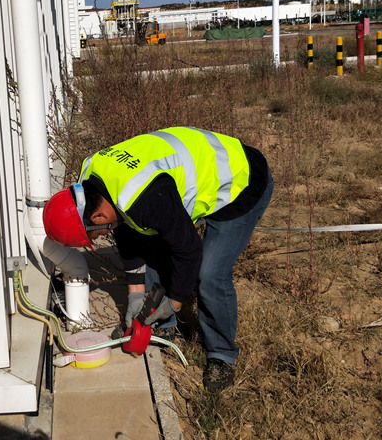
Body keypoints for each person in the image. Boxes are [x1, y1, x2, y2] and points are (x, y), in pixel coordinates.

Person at [43, 126, 273, 392]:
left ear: (97, 217)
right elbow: (127, 234)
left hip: (241, 182)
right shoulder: (89, 181)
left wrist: (175, 301)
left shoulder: (146, 199)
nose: (99, 238)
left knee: (210, 273)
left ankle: (222, 354)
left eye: (94, 236)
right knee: (150, 242)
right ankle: (163, 327)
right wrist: (136, 294)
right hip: (194, 178)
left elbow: (189, 251)